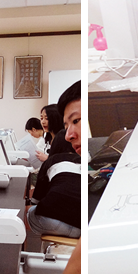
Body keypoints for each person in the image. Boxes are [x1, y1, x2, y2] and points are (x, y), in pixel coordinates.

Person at [11, 82, 82, 274]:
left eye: (76, 121)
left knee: (27, 215)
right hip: (76, 227)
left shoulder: (53, 160)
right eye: (67, 125)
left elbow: (38, 199)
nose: (71, 133)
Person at [27, 82, 81, 238]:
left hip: (68, 224)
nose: (43, 121)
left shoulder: (56, 152)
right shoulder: (48, 139)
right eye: (41, 118)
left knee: (30, 212)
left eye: (76, 120)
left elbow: (37, 201)